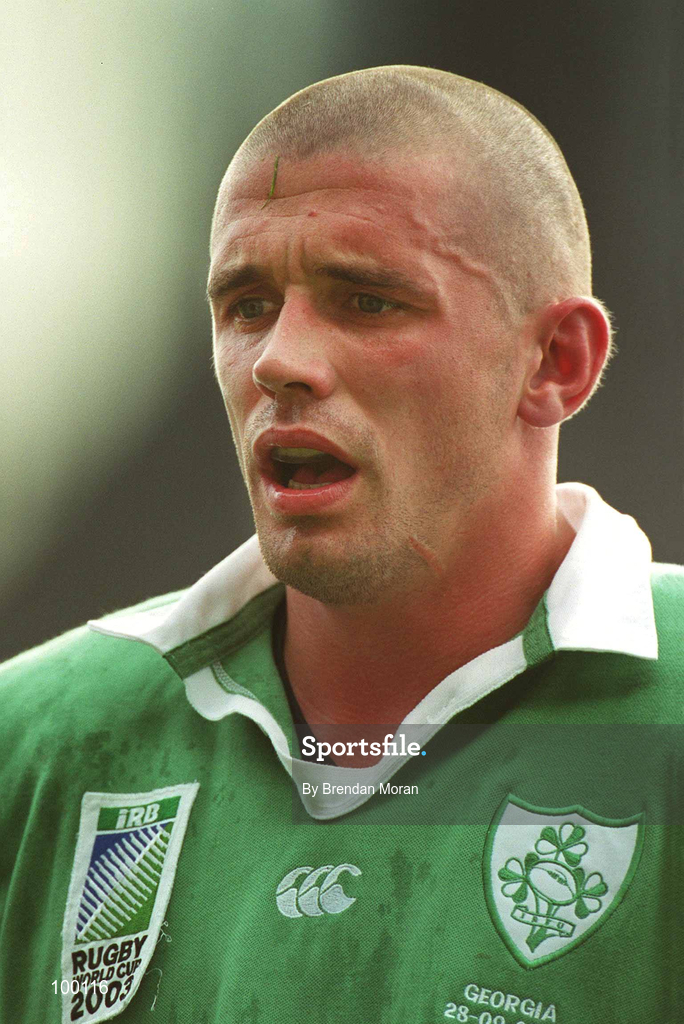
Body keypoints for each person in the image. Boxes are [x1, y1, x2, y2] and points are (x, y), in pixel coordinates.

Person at [1, 65, 682, 1024]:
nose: (278, 360)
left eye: (366, 301)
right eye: (246, 305)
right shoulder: (38, 741)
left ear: (555, 363)